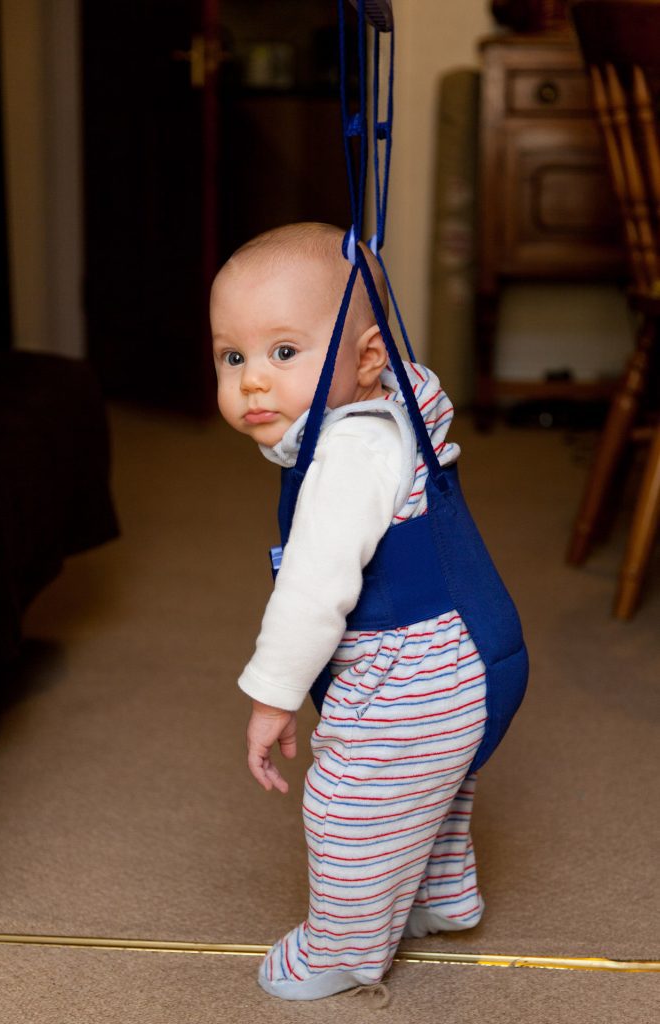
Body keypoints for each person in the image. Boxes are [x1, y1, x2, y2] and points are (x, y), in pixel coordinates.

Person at [210, 222, 523, 1001]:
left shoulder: (349, 457)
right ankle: (442, 897)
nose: (252, 380)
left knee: (352, 804)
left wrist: (272, 697)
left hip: (416, 666)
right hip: (468, 648)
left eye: (284, 352)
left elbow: (313, 594)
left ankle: (343, 950)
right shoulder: (395, 414)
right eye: (232, 355)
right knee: (426, 784)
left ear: (367, 360)